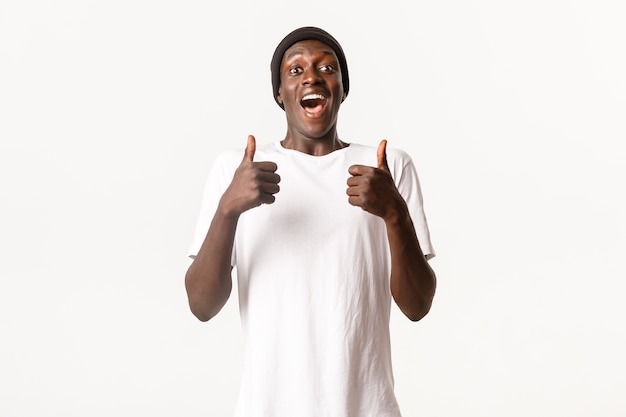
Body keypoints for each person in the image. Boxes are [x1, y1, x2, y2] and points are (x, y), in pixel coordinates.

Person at [185, 26, 436, 417]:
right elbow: (201, 305)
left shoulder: (387, 168)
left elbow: (418, 305)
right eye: (296, 70)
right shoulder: (237, 170)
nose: (313, 77)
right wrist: (227, 210)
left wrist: (394, 213)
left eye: (327, 67)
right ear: (280, 93)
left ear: (342, 88)